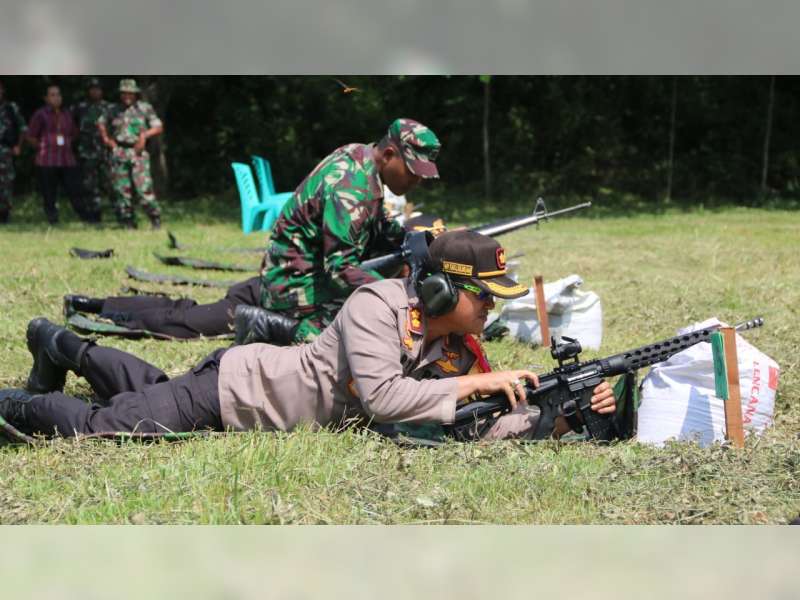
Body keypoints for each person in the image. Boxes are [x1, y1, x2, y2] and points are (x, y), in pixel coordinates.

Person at [0, 230, 616, 441]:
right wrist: (482, 381)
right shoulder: (376, 305)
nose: (491, 309)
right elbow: (384, 400)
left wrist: (556, 417)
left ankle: (63, 346)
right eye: (483, 295)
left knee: (150, 391)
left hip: (240, 391)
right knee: (103, 427)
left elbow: (459, 422)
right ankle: (15, 402)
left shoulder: (451, 349)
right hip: (241, 393)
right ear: (442, 293)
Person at [63, 118, 441, 342]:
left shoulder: (360, 155)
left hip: (286, 272)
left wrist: (410, 238)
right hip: (295, 289)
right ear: (389, 155)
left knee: (195, 316)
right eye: (413, 172)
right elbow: (342, 270)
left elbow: (371, 223)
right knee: (344, 337)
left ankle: (100, 305)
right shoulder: (352, 189)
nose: (416, 182)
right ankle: (274, 328)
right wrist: (399, 295)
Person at [97, 79, 163, 229]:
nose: (127, 96)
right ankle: (127, 221)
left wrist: (144, 136)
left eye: (130, 93)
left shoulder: (144, 108)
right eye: (124, 93)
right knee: (121, 190)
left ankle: (155, 218)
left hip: (138, 152)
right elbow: (100, 123)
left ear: (135, 94)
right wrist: (107, 140)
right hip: (119, 151)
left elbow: (158, 126)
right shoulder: (112, 109)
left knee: (143, 188)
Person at [26, 84, 95, 224]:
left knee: (75, 189)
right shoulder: (40, 114)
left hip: (66, 159)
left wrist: (67, 143)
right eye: (52, 95)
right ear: (46, 98)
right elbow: (31, 136)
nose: (56, 98)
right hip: (47, 160)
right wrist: (42, 147)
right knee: (49, 192)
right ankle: (52, 219)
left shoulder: (67, 113)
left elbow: (74, 133)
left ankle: (85, 217)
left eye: (58, 94)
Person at [70, 78, 112, 222]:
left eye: (98, 88)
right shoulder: (79, 108)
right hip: (87, 153)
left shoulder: (109, 107)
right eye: (92, 89)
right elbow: (71, 127)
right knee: (89, 185)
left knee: (111, 184)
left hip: (107, 152)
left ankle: (121, 213)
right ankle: (93, 215)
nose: (95, 91)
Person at [0, 79, 26, 224]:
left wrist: (18, 145)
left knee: (6, 184)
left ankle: (4, 216)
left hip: (5, 151)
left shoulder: (11, 108)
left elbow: (22, 128)